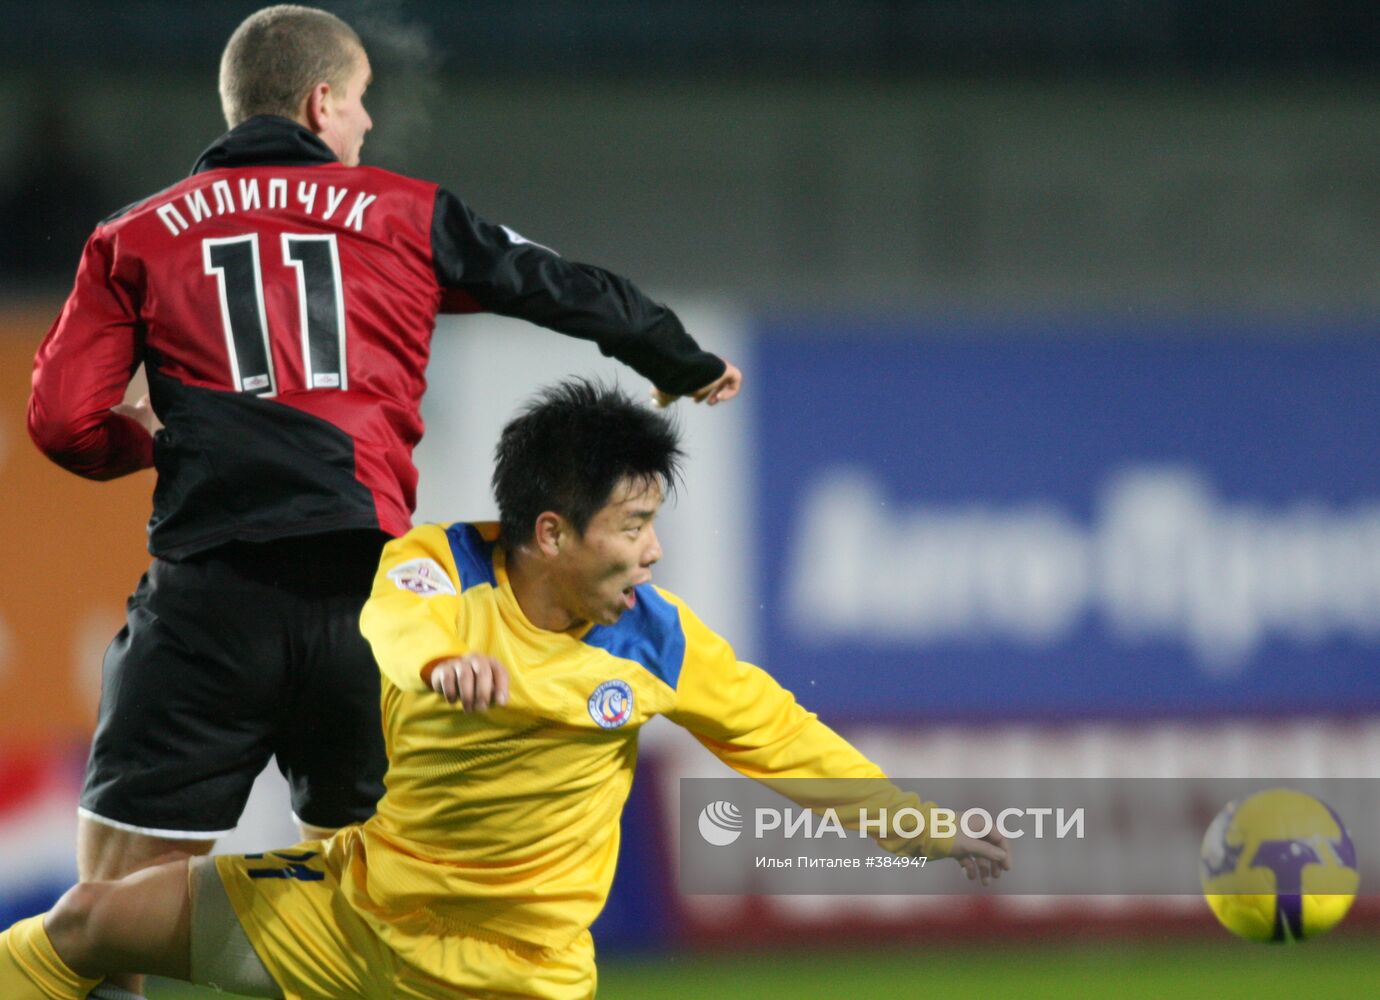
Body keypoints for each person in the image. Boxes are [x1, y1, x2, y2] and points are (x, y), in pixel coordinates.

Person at [25, 7, 740, 996]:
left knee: (102, 924)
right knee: (372, 928)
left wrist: (146, 438)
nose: (364, 125)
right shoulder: (402, 211)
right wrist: (678, 357)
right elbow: (559, 284)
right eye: (360, 104)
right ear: (322, 101)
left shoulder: (132, 237)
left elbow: (61, 421)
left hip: (207, 608)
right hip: (369, 613)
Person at [0, 379, 1008, 1000]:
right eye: (631, 526)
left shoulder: (659, 644)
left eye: (655, 522)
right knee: (89, 922)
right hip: (355, 922)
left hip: (519, 977)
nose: (653, 552)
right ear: (552, 533)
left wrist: (928, 829)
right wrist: (444, 666)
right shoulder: (435, 567)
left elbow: (787, 741)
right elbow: (398, 628)